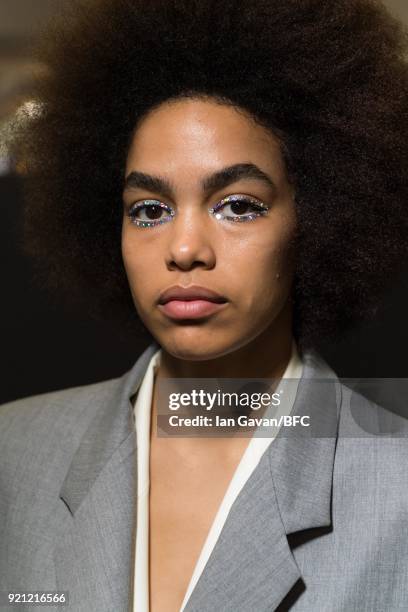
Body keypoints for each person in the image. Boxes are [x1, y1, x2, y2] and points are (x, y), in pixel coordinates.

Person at [1, 0, 408, 610]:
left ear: (318, 216)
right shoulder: (13, 452)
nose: (184, 248)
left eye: (238, 205)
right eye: (149, 210)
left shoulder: (397, 488)